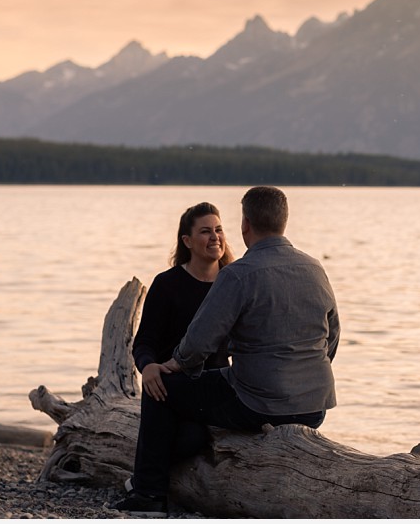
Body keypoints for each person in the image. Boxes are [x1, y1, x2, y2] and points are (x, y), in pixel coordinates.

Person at [115, 186, 340, 517]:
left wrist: (174, 366)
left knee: (161, 388)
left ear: (245, 224)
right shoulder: (314, 268)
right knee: (201, 402)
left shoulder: (238, 274)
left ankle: (148, 494)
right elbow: (332, 335)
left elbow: (198, 344)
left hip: (258, 404)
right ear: (284, 221)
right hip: (314, 408)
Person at [127, 202, 233, 474]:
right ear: (187, 241)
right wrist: (148, 366)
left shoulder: (235, 283)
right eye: (206, 231)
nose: (215, 237)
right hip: (171, 388)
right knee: (190, 439)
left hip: (219, 388)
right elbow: (144, 341)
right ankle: (144, 485)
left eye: (219, 230)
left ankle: (143, 480)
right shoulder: (167, 284)